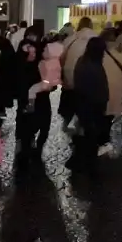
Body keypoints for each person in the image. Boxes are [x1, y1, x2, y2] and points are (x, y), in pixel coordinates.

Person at [67, 37, 111, 177]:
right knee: (91, 135)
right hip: (93, 105)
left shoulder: (83, 61)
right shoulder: (94, 66)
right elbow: (99, 88)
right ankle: (86, 164)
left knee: (86, 132)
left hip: (83, 103)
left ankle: (80, 160)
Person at [17, 39, 62, 161]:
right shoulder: (20, 66)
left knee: (44, 127)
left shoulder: (42, 63)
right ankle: (26, 153)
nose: (32, 54)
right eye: (28, 51)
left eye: (33, 51)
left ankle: (37, 149)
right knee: (28, 130)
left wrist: (50, 85)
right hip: (27, 103)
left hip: (42, 102)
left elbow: (52, 81)